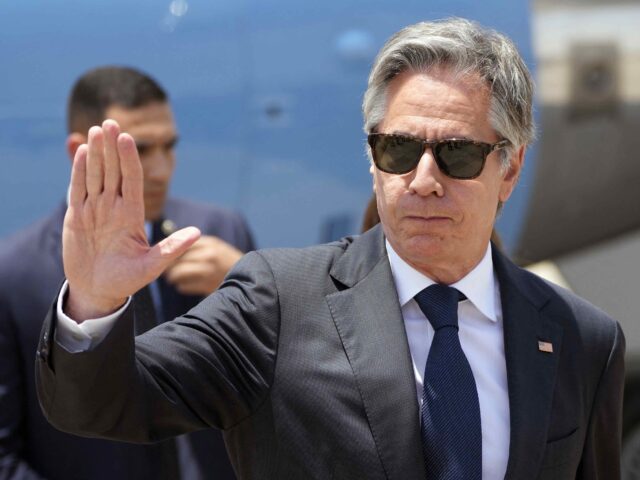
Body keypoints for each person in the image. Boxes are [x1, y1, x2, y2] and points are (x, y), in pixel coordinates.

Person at [36, 19, 623, 479]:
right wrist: (94, 303)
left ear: (510, 169)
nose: (422, 179)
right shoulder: (278, 302)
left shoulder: (581, 338)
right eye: (397, 150)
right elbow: (105, 405)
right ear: (372, 159)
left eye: (457, 154)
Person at [0, 66, 255, 479]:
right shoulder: (12, 275)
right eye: (139, 150)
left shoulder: (222, 234)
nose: (160, 170)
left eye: (169, 146)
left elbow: (282, 388)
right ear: (78, 152)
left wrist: (247, 286)